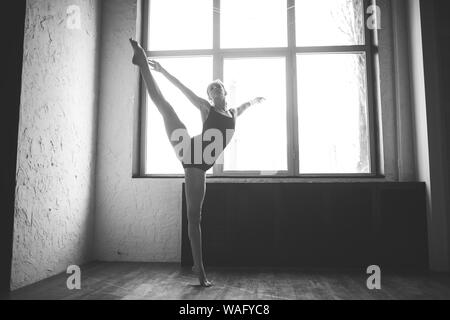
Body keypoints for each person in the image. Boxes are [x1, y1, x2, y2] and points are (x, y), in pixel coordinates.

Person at [129, 39, 265, 287]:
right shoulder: (206, 108)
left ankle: (197, 265)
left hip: (200, 165)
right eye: (210, 92)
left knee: (195, 216)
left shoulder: (233, 113)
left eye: (217, 91)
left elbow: (244, 106)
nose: (213, 95)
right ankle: (142, 64)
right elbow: (183, 89)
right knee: (166, 107)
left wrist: (254, 101)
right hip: (191, 154)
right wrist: (163, 71)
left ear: (224, 93)